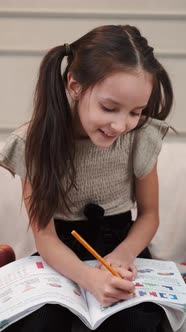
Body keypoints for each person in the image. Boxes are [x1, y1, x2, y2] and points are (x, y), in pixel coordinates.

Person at [0, 24, 173, 332]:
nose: (121, 125)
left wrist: (121, 256)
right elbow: (46, 237)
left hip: (124, 247)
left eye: (135, 112)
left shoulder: (141, 137)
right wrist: (90, 278)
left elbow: (149, 216)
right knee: (40, 324)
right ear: (75, 85)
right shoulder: (34, 142)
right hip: (61, 254)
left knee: (134, 322)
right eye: (109, 108)